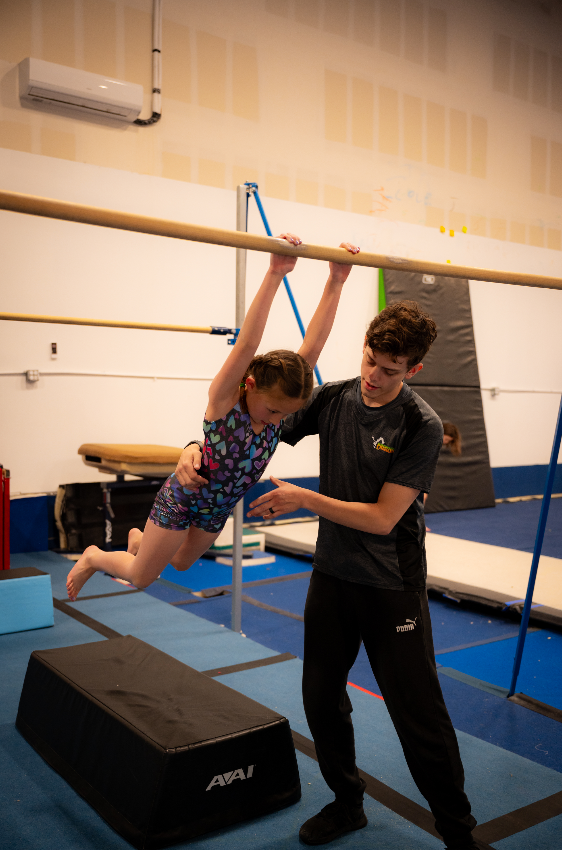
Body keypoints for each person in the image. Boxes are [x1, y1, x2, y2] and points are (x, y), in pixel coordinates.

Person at [178, 300, 479, 850]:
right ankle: (347, 803)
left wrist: (303, 499)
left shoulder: (421, 424)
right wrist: (195, 446)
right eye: (369, 360)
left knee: (418, 715)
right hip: (334, 574)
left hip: (391, 584)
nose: (373, 376)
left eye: (389, 369)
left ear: (412, 370)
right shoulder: (337, 396)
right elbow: (255, 419)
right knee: (319, 696)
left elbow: (385, 518)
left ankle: (459, 834)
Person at [66, 234, 360, 601]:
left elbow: (313, 346)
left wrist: (337, 280)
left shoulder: (277, 405)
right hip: (185, 496)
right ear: (249, 384)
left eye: (287, 415)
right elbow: (248, 343)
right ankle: (94, 557)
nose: (277, 421)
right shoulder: (225, 402)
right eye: (273, 411)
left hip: (219, 507)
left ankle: (141, 540)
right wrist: (275, 273)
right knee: (142, 578)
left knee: (183, 562)